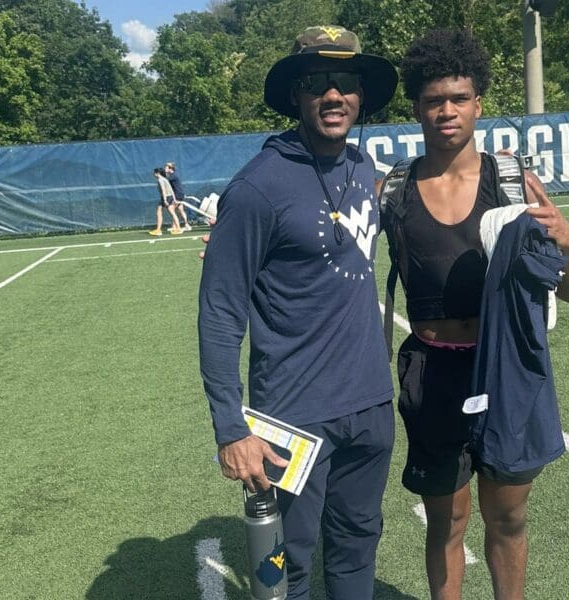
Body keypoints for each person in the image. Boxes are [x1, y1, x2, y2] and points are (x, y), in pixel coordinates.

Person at [382, 29, 569, 600]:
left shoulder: (511, 182)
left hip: (506, 373)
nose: (446, 111)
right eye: (433, 100)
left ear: (478, 103)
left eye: (458, 98)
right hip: (433, 374)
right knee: (446, 523)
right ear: (417, 107)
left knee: (508, 520)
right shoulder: (394, 191)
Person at [197, 26, 399, 600]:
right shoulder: (257, 189)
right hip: (293, 418)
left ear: (361, 95)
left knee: (358, 548)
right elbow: (218, 312)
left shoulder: (364, 170)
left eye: (345, 82)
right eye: (317, 83)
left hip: (370, 405)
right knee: (290, 567)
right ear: (296, 95)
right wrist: (230, 428)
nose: (333, 96)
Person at [151, 167, 183, 236]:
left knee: (169, 212)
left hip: (166, 197)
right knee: (161, 211)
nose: (153, 174)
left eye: (154, 172)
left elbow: (163, 190)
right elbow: (171, 190)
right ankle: (158, 230)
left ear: (157, 173)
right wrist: (174, 199)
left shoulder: (160, 180)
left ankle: (178, 228)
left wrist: (165, 200)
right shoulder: (165, 179)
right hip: (169, 197)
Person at [164, 162, 192, 231]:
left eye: (166, 167)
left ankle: (177, 227)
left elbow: (165, 180)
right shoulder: (172, 175)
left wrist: (164, 173)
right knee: (180, 210)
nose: (165, 168)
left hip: (178, 195)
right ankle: (185, 225)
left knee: (171, 208)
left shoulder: (172, 176)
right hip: (180, 194)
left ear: (170, 168)